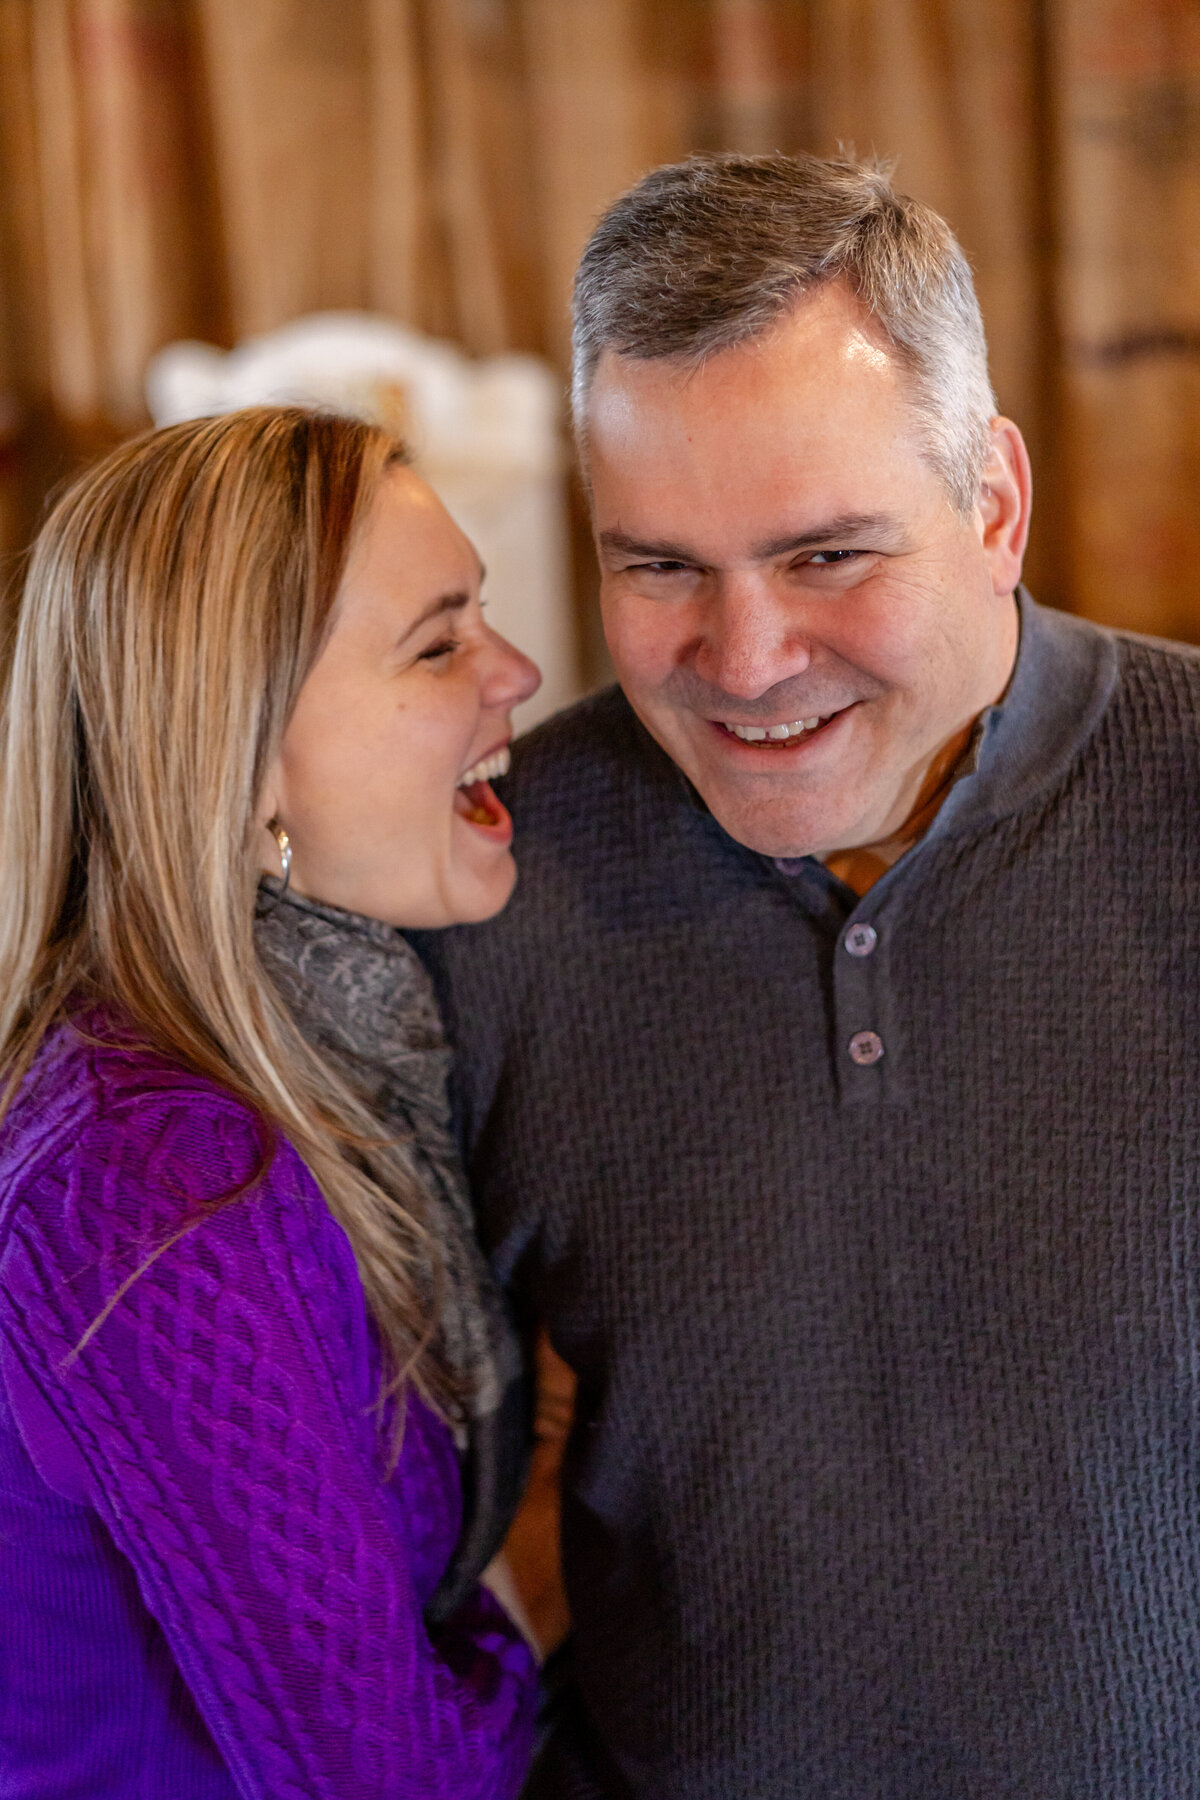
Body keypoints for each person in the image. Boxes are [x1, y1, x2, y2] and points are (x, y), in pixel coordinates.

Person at [414, 153, 1200, 1798]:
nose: (747, 661)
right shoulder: (487, 872)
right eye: (659, 567)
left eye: (829, 556)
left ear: (993, 505)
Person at [0, 406, 543, 1797]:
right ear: (243, 777)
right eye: (439, 643)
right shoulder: (156, 1171)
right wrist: (545, 1586)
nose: (521, 673)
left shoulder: (284, 1056)